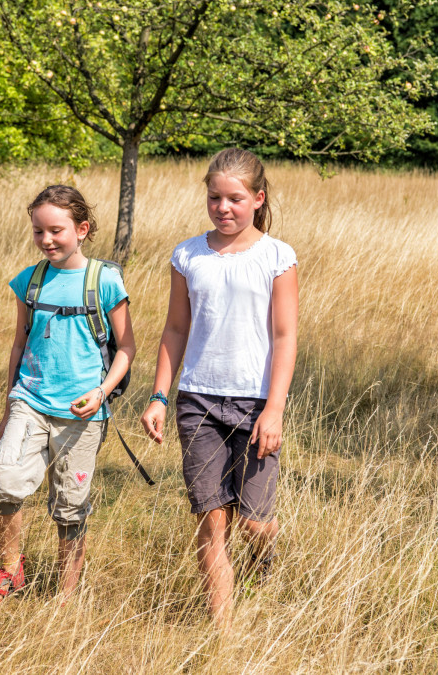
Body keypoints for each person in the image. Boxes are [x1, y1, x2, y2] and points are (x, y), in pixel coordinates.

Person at [140, 148, 298, 626]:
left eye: (234, 198)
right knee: (212, 519)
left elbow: (285, 335)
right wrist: (159, 396)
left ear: (257, 198)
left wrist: (274, 410)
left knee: (255, 522)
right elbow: (174, 330)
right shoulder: (188, 255)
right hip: (198, 402)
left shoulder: (277, 256)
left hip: (255, 404)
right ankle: (222, 633)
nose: (223, 207)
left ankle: (263, 564)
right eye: (214, 198)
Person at [0, 185, 135, 605]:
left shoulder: (105, 281)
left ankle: (67, 594)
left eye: (56, 230)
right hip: (30, 402)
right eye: (38, 231)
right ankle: (10, 570)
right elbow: (19, 343)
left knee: (70, 506)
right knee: (4, 484)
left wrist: (102, 393)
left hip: (82, 413)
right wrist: (10, 404)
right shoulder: (30, 281)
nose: (47, 240)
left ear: (82, 229)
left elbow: (127, 349)